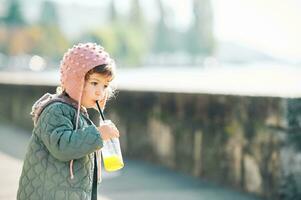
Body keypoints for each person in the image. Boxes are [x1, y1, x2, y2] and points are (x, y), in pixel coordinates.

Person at [17, 42, 120, 200]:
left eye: (105, 85)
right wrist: (98, 134)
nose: (100, 91)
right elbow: (62, 146)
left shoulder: (77, 112)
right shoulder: (56, 110)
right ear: (75, 81)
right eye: (94, 83)